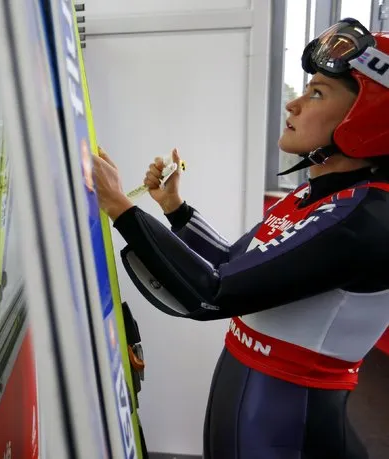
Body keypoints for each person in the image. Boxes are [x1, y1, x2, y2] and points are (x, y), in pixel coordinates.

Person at [93, 18, 389, 459]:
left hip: (287, 419)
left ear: (365, 118)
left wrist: (119, 205)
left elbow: (212, 293)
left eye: (317, 93)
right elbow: (235, 263)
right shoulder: (326, 196)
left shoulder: (363, 218)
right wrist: (175, 208)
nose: (293, 104)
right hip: (259, 404)